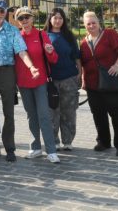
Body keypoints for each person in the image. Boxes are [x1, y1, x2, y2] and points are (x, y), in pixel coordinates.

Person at [0, 0, 39, 162]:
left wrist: (31, 67)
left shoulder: (13, 31)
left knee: (8, 113)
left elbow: (21, 52)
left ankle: (10, 147)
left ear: (6, 13)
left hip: (7, 73)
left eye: (2, 11)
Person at [80, 11, 118, 157]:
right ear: (84, 25)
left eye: (93, 22)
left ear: (99, 22)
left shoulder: (109, 34)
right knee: (98, 114)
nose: (91, 25)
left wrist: (116, 65)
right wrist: (83, 79)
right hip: (93, 85)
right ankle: (103, 141)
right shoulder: (84, 43)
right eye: (88, 23)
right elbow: (84, 63)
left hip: (114, 81)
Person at [15, 7, 60, 163]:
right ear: (18, 22)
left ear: (33, 19)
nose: (25, 21)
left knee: (43, 115)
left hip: (40, 81)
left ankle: (51, 150)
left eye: (27, 17)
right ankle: (35, 147)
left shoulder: (41, 35)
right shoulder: (17, 36)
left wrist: (50, 51)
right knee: (31, 116)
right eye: (21, 18)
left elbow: (54, 59)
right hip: (23, 82)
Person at [45, 8, 81, 151]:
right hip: (51, 80)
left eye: (60, 18)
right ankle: (54, 141)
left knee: (69, 111)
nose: (58, 20)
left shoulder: (69, 36)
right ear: (50, 19)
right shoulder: (44, 35)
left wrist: (80, 72)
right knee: (52, 112)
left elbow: (76, 56)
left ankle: (68, 141)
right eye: (55, 18)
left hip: (69, 78)